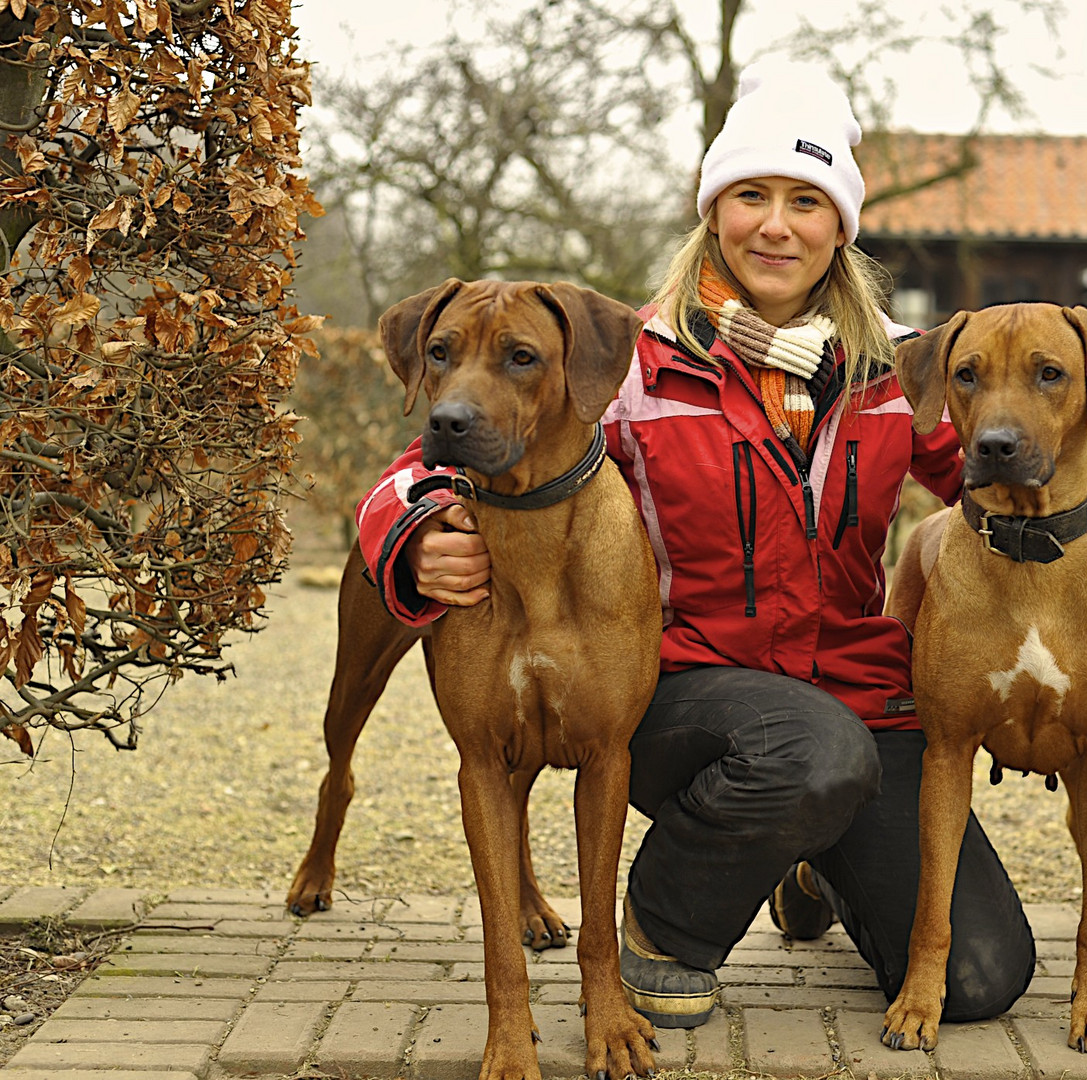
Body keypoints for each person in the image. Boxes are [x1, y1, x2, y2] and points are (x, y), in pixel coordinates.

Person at [355, 59, 1035, 1031]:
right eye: (750, 195)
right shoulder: (628, 364)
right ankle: (665, 921)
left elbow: (1002, 472)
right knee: (807, 751)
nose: (775, 224)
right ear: (713, 211)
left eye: (806, 200)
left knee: (979, 977)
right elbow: (416, 468)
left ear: (839, 224)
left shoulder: (898, 370)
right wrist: (412, 537)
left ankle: (804, 859)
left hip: (851, 700)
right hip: (684, 696)